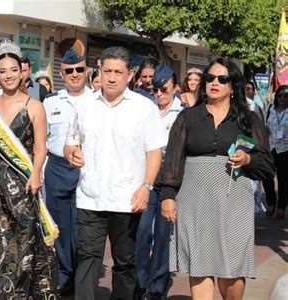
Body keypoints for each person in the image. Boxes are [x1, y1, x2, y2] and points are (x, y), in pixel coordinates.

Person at [161, 57, 275, 299]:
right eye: (210, 78)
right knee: (199, 267)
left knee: (232, 273)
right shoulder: (187, 118)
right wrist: (168, 196)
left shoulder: (248, 120)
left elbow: (267, 166)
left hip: (233, 202)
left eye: (222, 79)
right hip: (194, 201)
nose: (215, 82)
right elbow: (173, 159)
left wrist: (248, 159)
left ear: (232, 86)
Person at [64, 46, 167, 299]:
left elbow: (154, 152)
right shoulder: (84, 105)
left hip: (127, 199)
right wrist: (71, 154)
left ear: (130, 75)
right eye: (107, 71)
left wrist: (146, 186)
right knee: (88, 258)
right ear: (98, 70)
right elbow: (71, 142)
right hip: (90, 196)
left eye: (118, 72)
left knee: (124, 262)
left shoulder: (144, 108)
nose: (111, 77)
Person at [0, 40, 57, 299]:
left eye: (13, 70)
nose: (9, 76)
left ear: (22, 71)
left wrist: (36, 173)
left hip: (21, 180)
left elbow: (41, 148)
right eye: (3, 71)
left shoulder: (34, 106)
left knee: (19, 240)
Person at [43, 47, 93, 296]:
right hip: (57, 169)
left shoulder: (97, 102)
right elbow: (42, 140)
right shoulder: (50, 102)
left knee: (83, 228)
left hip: (86, 170)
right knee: (60, 228)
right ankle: (64, 274)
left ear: (87, 71)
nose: (75, 74)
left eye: (79, 70)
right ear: (62, 72)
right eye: (69, 70)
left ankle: (81, 275)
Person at [135, 64, 183, 300]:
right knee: (142, 231)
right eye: (156, 90)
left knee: (164, 235)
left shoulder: (184, 114)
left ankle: (157, 285)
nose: (160, 94)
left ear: (175, 88)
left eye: (164, 89)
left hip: (171, 177)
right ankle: (140, 280)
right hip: (148, 175)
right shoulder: (146, 109)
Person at [263, 85, 288, 218]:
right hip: (270, 147)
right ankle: (271, 203)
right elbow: (263, 125)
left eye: (286, 96)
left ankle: (282, 206)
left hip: (285, 149)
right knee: (267, 176)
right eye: (280, 95)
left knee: (284, 180)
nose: (282, 98)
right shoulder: (269, 109)